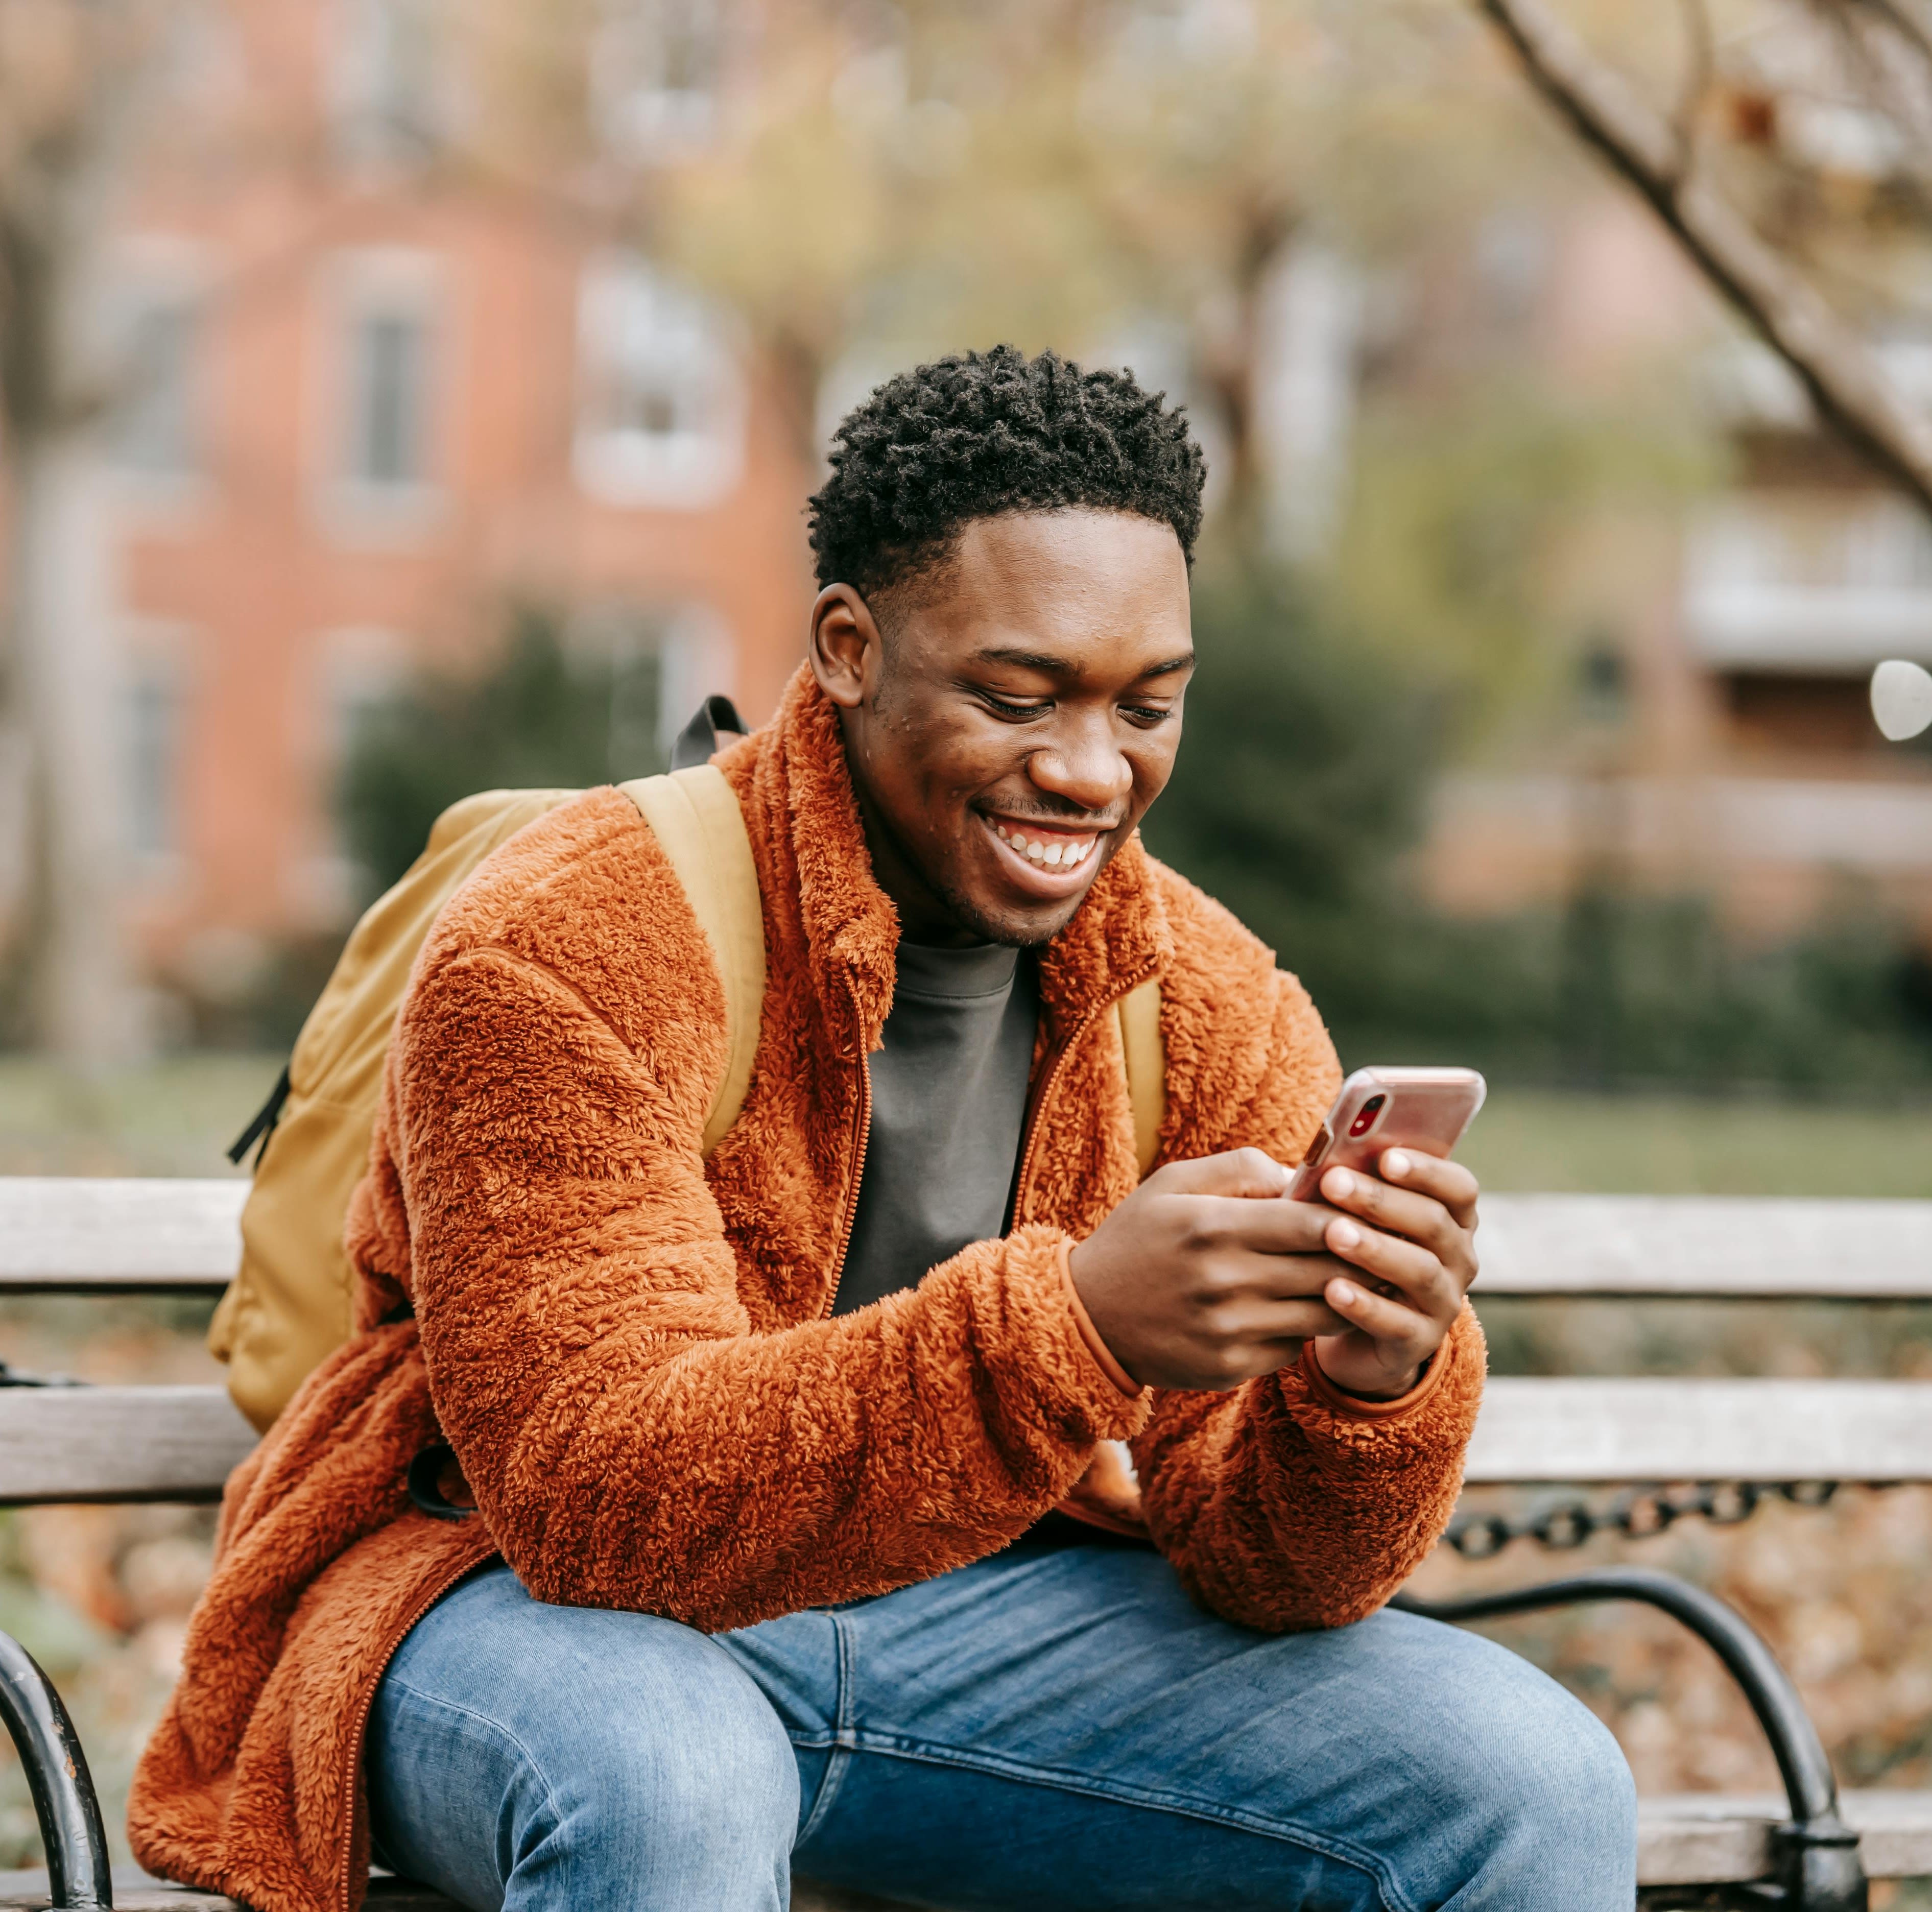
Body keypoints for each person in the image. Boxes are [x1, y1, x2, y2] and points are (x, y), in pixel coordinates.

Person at [131, 346, 1635, 1912]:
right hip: (506, 1611)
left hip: (971, 1634)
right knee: (672, 1775)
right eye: (1017, 694)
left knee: (1525, 1784)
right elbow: (594, 1503)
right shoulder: (571, 933)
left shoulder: (1208, 1000)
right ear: (848, 649)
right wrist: (1071, 1324)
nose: (1088, 768)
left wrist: (1366, 1380)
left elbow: (1275, 1570)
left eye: (1148, 704)